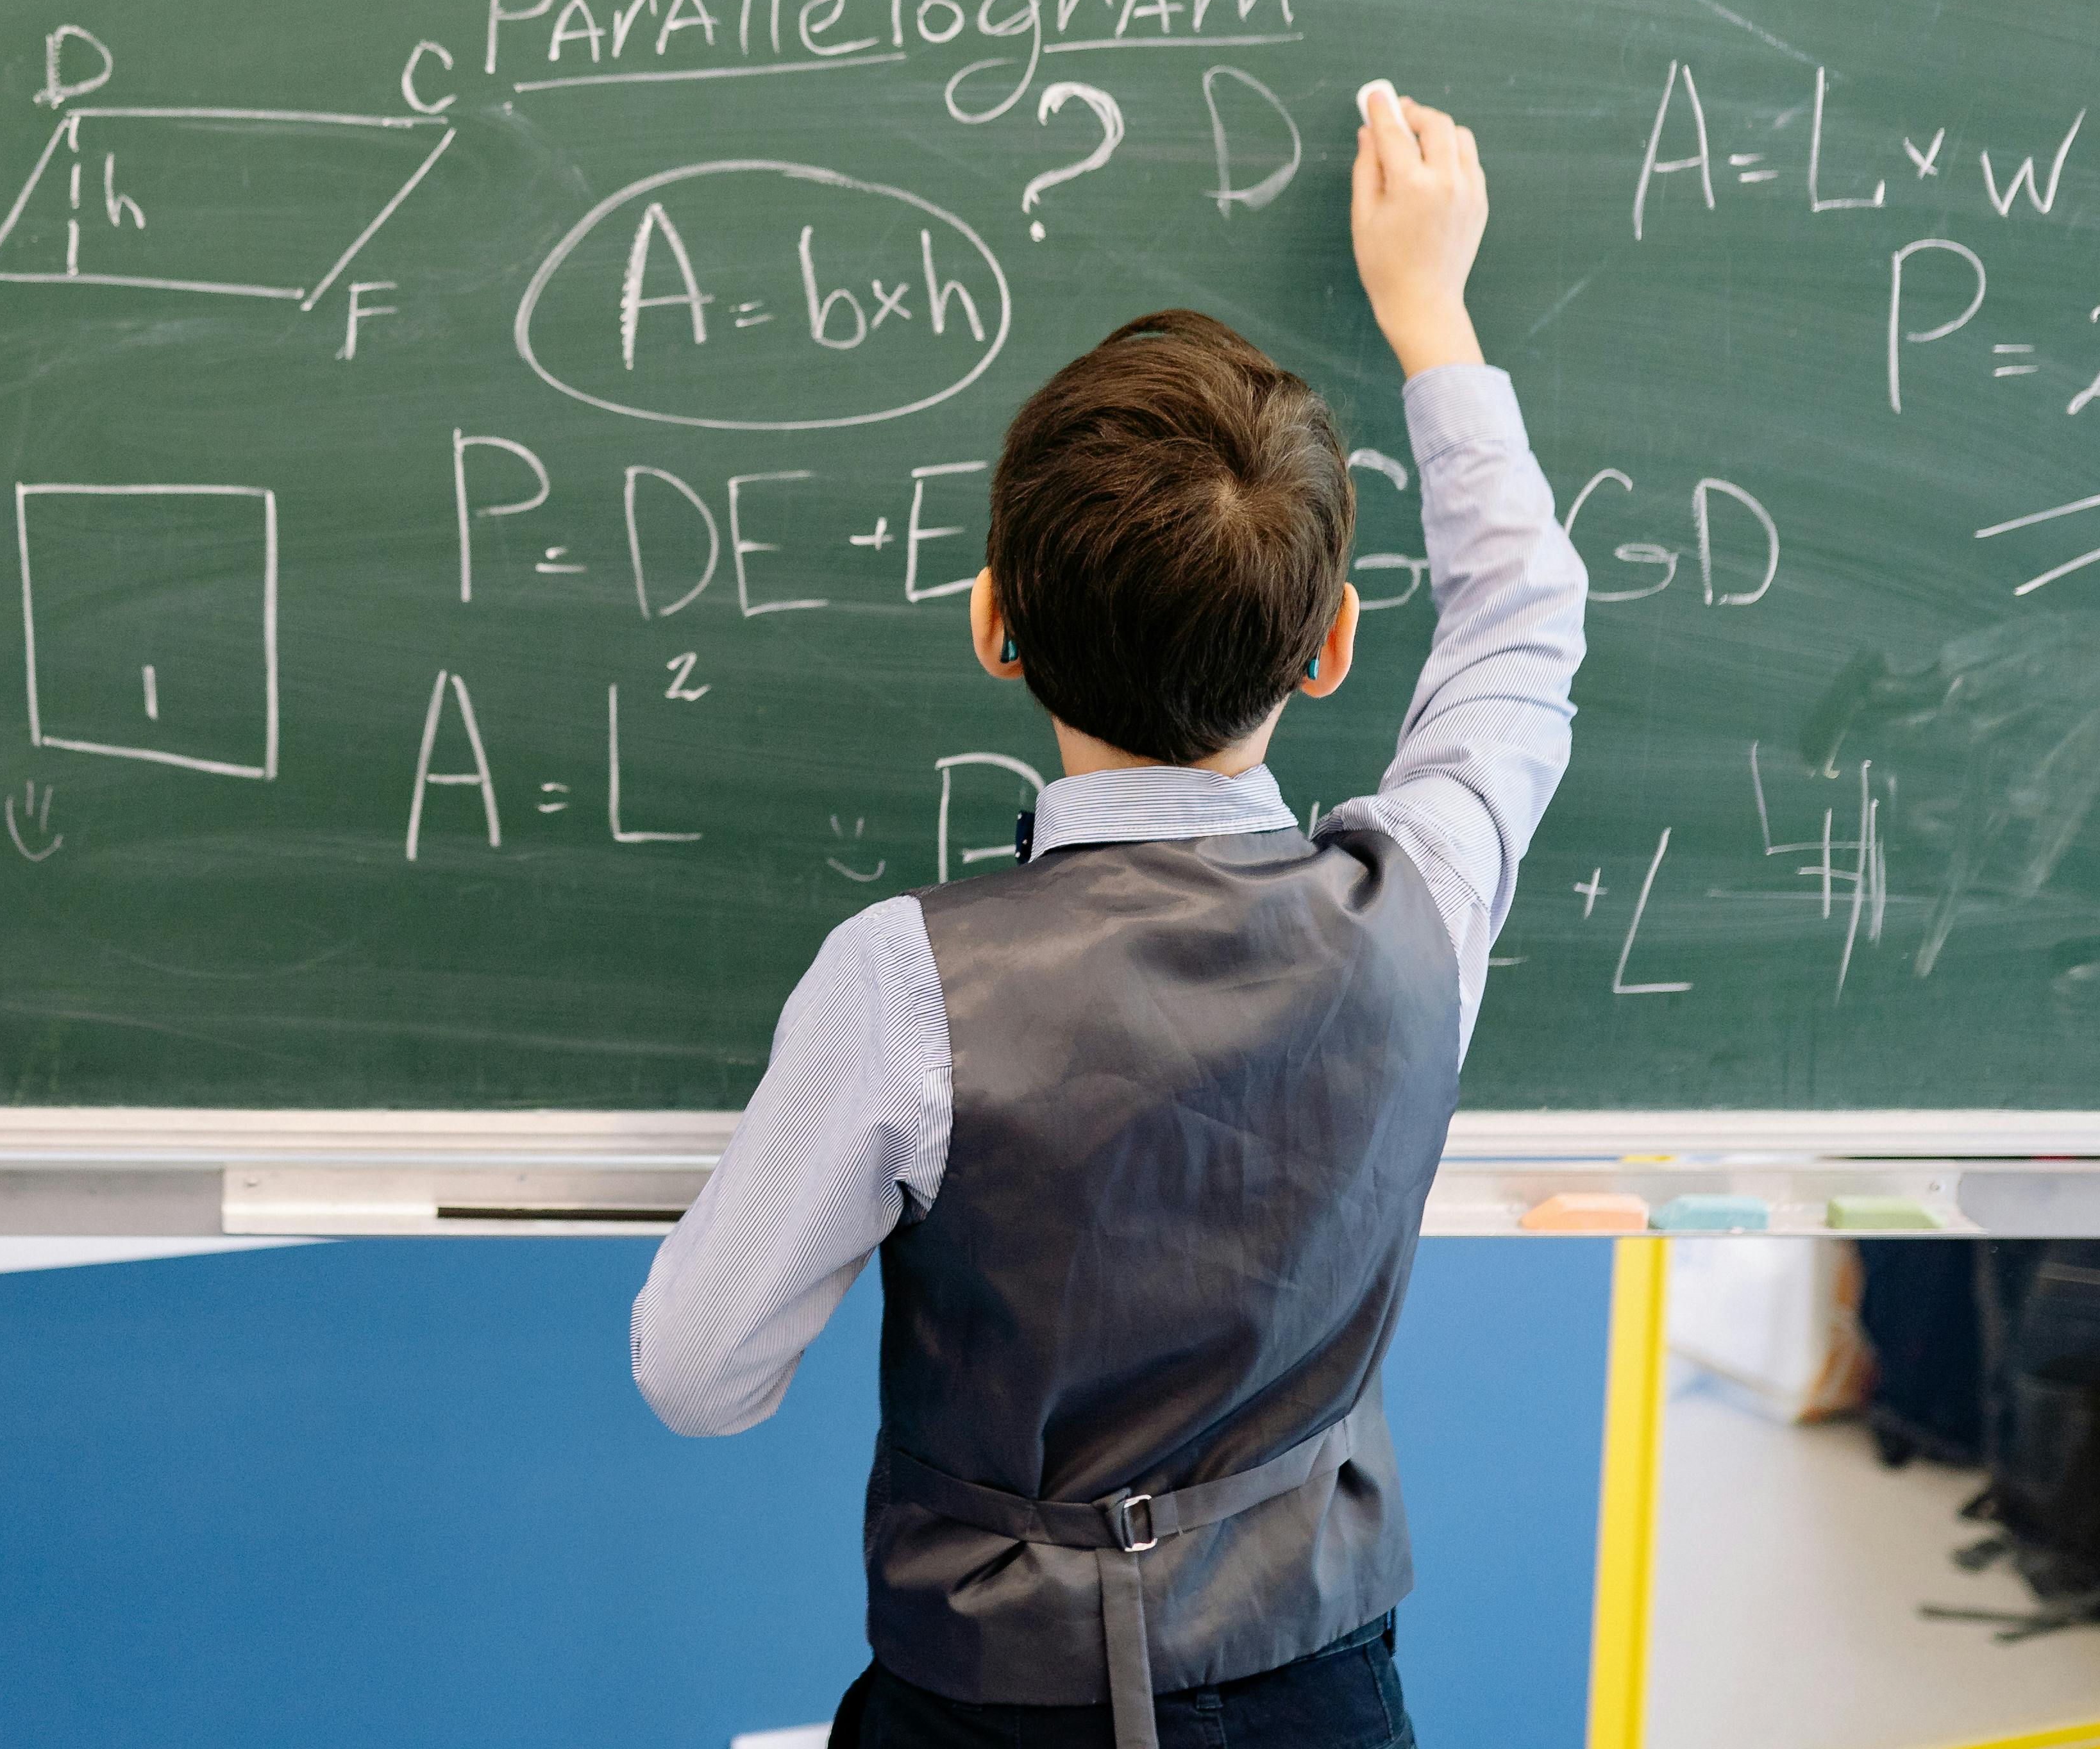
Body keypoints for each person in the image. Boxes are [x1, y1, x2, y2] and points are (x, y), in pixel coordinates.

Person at [631, 85, 1586, 1749]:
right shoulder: (1418, 902)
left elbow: (697, 1380)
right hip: (1321, 1701)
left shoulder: (906, 984)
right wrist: (1429, 315)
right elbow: (1525, 627)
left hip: (992, 1710)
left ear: (996, 621)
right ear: (1334, 643)